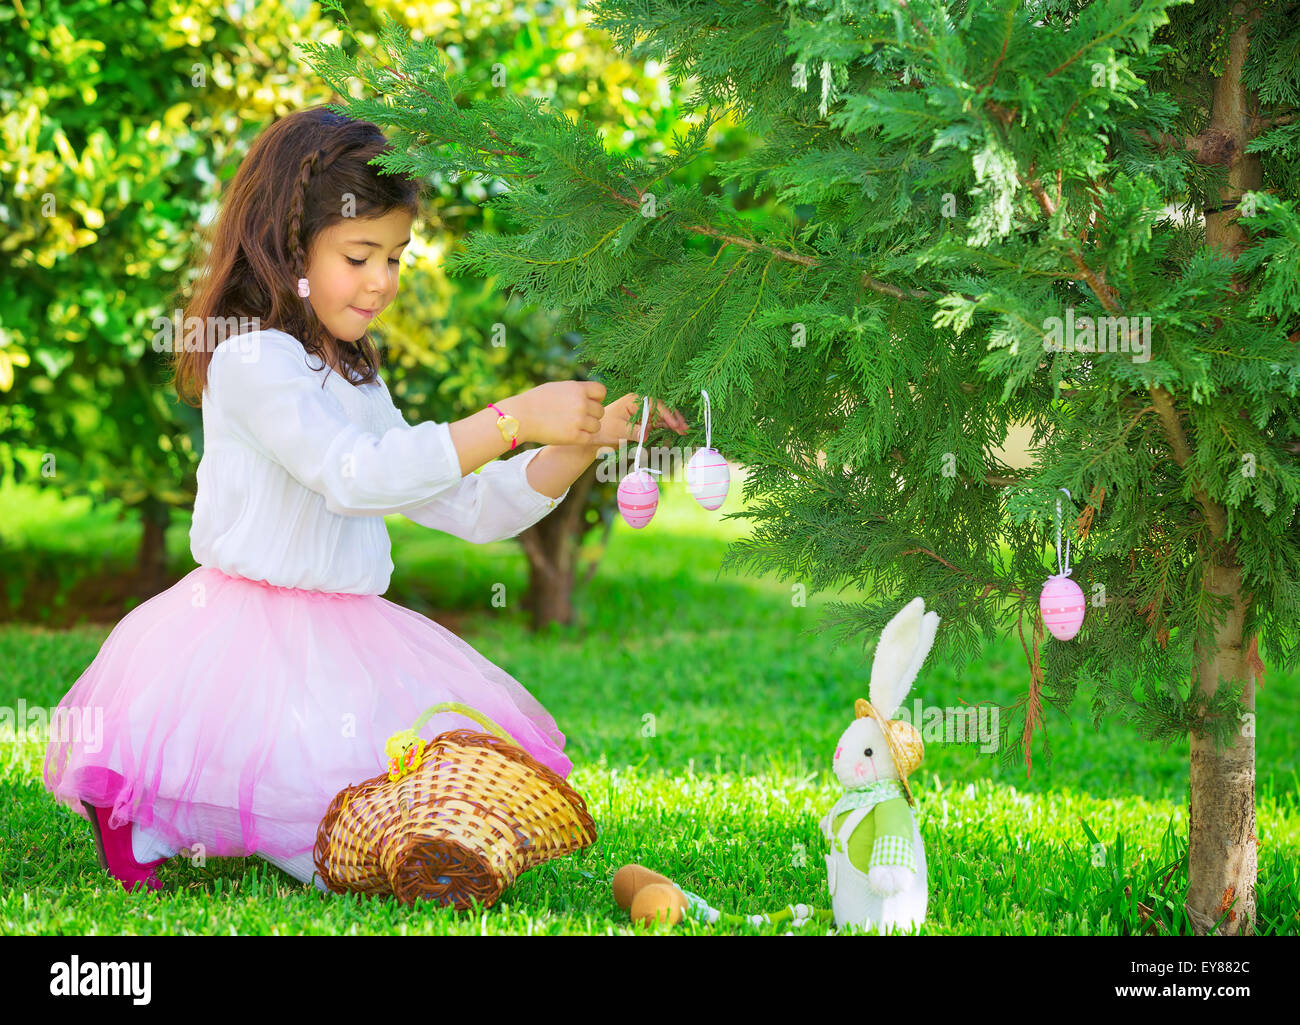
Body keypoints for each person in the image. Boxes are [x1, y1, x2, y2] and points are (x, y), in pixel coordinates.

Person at [41, 106, 687, 894]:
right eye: (359, 255)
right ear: (290, 247)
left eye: (396, 256)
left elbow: (469, 507)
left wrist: (574, 444)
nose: (381, 280)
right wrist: (512, 416)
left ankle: (310, 831)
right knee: (323, 839)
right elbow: (353, 472)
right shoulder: (250, 360)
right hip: (239, 643)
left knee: (394, 806)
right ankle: (152, 817)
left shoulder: (350, 371)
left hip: (343, 647)